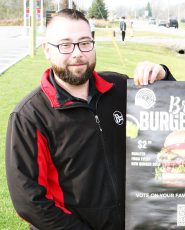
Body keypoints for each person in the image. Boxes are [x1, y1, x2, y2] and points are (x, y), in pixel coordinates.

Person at [5, 9, 175, 229]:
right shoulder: (30, 116)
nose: (77, 53)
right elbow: (29, 201)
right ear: (47, 49)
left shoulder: (122, 89)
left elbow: (171, 113)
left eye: (85, 42)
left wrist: (163, 76)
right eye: (65, 45)